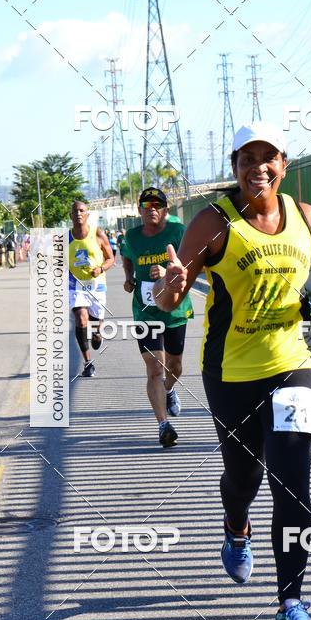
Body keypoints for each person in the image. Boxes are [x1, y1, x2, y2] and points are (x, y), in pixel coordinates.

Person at [153, 121, 311, 620]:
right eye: (247, 158)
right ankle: (235, 528)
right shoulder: (212, 223)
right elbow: (169, 301)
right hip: (231, 373)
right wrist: (169, 288)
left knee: (292, 483)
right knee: (243, 478)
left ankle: (291, 603)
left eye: (268, 158)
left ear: (284, 165)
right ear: (235, 166)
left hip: (293, 366)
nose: (258, 167)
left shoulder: (304, 216)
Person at [121, 187, 194, 448]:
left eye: (157, 204)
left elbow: (191, 264)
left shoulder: (179, 232)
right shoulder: (131, 236)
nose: (151, 208)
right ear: (139, 209)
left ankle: (170, 389)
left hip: (174, 309)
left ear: (165, 209)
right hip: (145, 311)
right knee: (154, 369)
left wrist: (168, 273)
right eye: (146, 205)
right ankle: (163, 425)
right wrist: (129, 277)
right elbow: (126, 255)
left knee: (174, 367)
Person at [69, 200, 114, 378]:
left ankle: (97, 335)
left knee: (96, 328)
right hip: (75, 285)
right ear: (71, 216)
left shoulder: (97, 233)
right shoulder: (65, 238)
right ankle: (88, 363)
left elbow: (111, 258)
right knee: (81, 319)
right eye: (75, 211)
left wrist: (101, 268)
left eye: (82, 211)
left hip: (96, 286)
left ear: (87, 214)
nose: (79, 214)